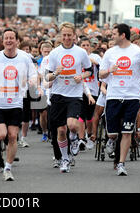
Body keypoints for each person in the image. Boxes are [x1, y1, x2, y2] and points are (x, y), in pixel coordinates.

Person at [99, 23, 140, 176]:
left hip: (132, 96)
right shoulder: (110, 53)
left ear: (122, 35)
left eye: (114, 34)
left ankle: (121, 163)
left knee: (126, 132)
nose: (111, 36)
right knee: (112, 133)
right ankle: (111, 140)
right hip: (114, 95)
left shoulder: (138, 52)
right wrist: (109, 71)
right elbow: (101, 74)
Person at [0, 28, 38, 181]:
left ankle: (7, 168)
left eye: (12, 38)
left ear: (17, 40)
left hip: (16, 102)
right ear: (3, 41)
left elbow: (33, 74)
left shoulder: (25, 58)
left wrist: (33, 81)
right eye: (6, 38)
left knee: (13, 136)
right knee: (1, 135)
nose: (9, 40)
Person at [46, 22, 92, 173]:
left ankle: (73, 139)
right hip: (58, 95)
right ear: (60, 35)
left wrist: (81, 75)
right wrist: (55, 74)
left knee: (72, 125)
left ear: (74, 36)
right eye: (64, 35)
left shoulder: (80, 52)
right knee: (60, 131)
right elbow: (47, 77)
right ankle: (65, 159)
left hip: (74, 94)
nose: (66, 38)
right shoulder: (55, 53)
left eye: (69, 35)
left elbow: (90, 71)